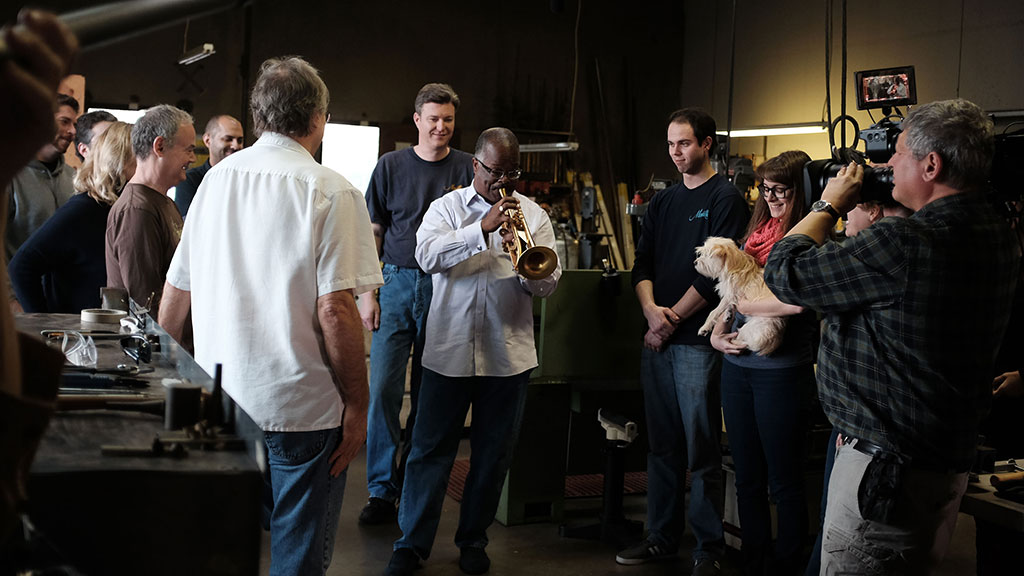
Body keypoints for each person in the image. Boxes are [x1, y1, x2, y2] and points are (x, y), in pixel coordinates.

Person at [764, 99, 1019, 575]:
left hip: (883, 476)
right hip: (940, 465)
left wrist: (829, 203)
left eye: (895, 154)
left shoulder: (903, 244)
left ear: (931, 164)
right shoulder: (997, 233)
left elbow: (784, 271)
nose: (884, 167)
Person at [159, 56, 381, 576]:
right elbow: (335, 309)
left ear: (258, 117)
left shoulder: (212, 183)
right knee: (296, 557)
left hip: (224, 399)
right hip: (300, 406)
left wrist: (170, 383)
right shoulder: (331, 190)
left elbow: (175, 292)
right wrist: (359, 403)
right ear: (318, 119)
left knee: (228, 548)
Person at [384, 128, 559, 576]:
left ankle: (473, 539)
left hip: (508, 355)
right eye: (494, 172)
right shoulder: (446, 208)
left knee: (492, 453)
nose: (503, 182)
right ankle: (411, 543)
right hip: (448, 350)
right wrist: (480, 230)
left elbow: (545, 284)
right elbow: (426, 256)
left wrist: (529, 270)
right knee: (429, 450)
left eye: (511, 173)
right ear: (475, 165)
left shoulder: (534, 215)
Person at [621, 108, 749, 575]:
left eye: (685, 144)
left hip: (694, 343)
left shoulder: (725, 198)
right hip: (658, 338)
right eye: (671, 144)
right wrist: (652, 313)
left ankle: (707, 550)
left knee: (701, 449)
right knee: (662, 447)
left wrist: (671, 318)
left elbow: (719, 275)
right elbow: (643, 265)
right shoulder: (663, 202)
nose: (676, 153)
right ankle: (660, 538)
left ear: (707, 144)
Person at [358, 83, 474, 525]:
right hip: (396, 282)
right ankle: (380, 491)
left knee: (432, 393)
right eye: (433, 118)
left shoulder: (466, 167)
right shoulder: (390, 166)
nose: (440, 127)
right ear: (417, 120)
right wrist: (368, 293)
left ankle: (413, 481)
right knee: (385, 389)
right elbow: (373, 232)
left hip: (447, 286)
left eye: (447, 119)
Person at [709, 151, 815, 576]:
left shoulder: (810, 239)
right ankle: (753, 559)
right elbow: (732, 291)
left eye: (781, 190)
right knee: (748, 475)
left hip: (782, 374)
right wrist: (718, 330)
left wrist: (752, 304)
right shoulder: (757, 232)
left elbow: (800, 302)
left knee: (784, 481)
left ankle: (788, 564)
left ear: (802, 191)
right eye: (765, 189)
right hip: (738, 369)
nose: (771, 198)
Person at [0, 7, 77, 551]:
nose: (66, 129)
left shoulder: (70, 179)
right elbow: (17, 258)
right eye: (60, 117)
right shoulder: (13, 174)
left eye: (72, 121)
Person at [803, 192, 912, 576]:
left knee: (847, 545)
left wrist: (827, 204)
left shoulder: (885, 249)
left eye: (850, 209)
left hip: (874, 445)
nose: (842, 221)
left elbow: (786, 272)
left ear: (874, 210)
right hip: (860, 427)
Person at [10, 122, 134, 313]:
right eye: (141, 158)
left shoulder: (120, 207)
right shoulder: (85, 207)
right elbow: (22, 266)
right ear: (122, 160)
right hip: (76, 335)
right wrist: (43, 323)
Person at [105, 104, 193, 319]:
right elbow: (145, 303)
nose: (192, 159)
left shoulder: (162, 202)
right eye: (188, 149)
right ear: (160, 147)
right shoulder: (137, 209)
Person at [5, 92, 78, 266]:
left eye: (75, 124)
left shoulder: (74, 178)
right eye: (64, 122)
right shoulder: (10, 177)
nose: (73, 131)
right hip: (17, 291)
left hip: (62, 291)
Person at [173, 114, 244, 218]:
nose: (236, 146)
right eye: (228, 139)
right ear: (207, 140)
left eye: (240, 140)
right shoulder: (190, 180)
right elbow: (187, 225)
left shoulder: (246, 179)